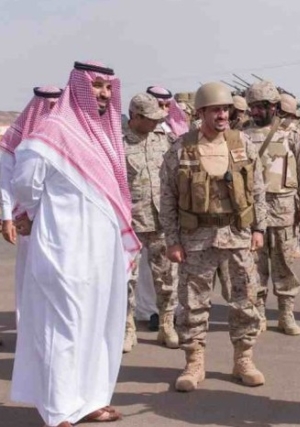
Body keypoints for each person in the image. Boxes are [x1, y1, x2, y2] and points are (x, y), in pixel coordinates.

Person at [10, 61, 136, 426]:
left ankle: (90, 400)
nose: (103, 93)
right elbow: (25, 185)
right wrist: (38, 213)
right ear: (78, 87)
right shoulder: (51, 132)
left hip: (102, 251)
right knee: (63, 326)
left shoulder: (106, 137)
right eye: (96, 86)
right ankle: (59, 409)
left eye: (108, 87)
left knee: (97, 324)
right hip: (63, 247)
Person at [159, 81, 268, 392]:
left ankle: (243, 359)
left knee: (244, 301)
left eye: (225, 110)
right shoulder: (181, 149)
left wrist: (258, 228)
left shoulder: (242, 144)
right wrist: (172, 240)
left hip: (237, 235)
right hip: (196, 239)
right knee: (193, 304)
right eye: (215, 110)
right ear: (201, 113)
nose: (222, 115)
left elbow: (257, 188)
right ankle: (194, 362)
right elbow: (167, 197)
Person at [244, 82, 300, 336]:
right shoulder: (242, 135)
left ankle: (286, 313)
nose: (255, 112)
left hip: (284, 209)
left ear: (273, 106)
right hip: (253, 212)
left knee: (285, 264)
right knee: (255, 265)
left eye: (261, 107)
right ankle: (259, 312)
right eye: (252, 107)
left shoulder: (290, 133)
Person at [0, 86, 61, 348]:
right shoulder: (16, 140)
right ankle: (28, 335)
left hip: (59, 221)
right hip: (26, 220)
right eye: (48, 106)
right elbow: (5, 182)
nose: (52, 111)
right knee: (29, 277)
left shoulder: (64, 137)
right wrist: (7, 218)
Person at [122, 93, 178, 353]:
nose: (157, 122)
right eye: (151, 118)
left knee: (166, 277)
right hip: (130, 222)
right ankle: (128, 328)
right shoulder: (118, 142)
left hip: (160, 221)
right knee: (127, 280)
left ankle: (167, 324)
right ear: (135, 116)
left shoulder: (163, 139)